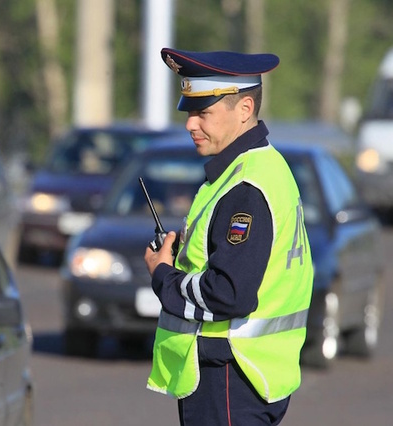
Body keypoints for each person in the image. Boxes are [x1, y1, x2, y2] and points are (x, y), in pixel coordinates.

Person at [143, 48, 314, 426]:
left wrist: (163, 276)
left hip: (230, 376)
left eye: (203, 112)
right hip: (248, 375)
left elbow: (230, 293)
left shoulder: (246, 187)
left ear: (244, 108)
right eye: (189, 112)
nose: (190, 124)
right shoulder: (261, 167)